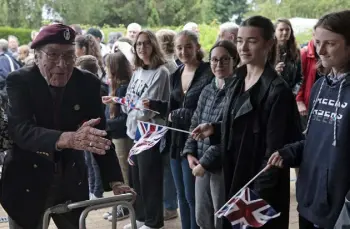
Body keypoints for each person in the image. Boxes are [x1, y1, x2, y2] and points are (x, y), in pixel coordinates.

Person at [0, 24, 134, 229]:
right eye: (53, 55)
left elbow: (99, 135)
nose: (62, 64)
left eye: (69, 55)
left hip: (70, 180)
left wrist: (115, 180)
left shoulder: (87, 83)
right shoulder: (20, 81)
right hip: (26, 180)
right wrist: (68, 138)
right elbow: (21, 131)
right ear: (37, 56)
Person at [191, 16, 302, 229]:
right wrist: (214, 129)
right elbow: (244, 126)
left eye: (252, 41)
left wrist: (254, 198)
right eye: (240, 40)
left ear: (269, 44)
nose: (243, 47)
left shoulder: (277, 91)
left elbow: (274, 153)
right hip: (233, 175)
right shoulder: (237, 79)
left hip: (258, 186)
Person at [268, 10, 350, 229]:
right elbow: (315, 140)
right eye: (317, 42)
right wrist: (291, 152)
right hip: (310, 200)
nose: (321, 51)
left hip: (341, 209)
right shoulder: (320, 86)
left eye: (330, 44)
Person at [183, 40, 239, 229]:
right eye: (214, 60)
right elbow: (195, 122)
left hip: (221, 164)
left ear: (235, 61)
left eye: (224, 59)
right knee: (202, 216)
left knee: (220, 216)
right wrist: (190, 152)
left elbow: (231, 133)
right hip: (200, 162)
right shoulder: (207, 89)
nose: (218, 64)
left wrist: (206, 163)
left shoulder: (238, 91)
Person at [121, 30, 170, 229]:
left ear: (154, 46)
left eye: (146, 43)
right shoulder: (138, 71)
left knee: (149, 180)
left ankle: (153, 221)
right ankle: (140, 217)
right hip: (134, 132)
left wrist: (134, 106)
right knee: (137, 180)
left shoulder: (161, 72)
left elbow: (145, 110)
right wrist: (132, 105)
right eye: (138, 44)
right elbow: (128, 103)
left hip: (149, 133)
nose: (141, 47)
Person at [169, 30, 213, 229]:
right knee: (181, 196)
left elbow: (206, 109)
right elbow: (170, 107)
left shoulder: (208, 71)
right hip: (175, 140)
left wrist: (178, 114)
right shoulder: (175, 74)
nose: (183, 51)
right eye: (179, 47)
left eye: (188, 46)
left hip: (198, 140)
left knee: (192, 197)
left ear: (197, 46)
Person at [102, 52, 133, 222]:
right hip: (116, 136)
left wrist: (105, 125)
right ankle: (121, 205)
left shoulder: (124, 88)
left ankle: (125, 207)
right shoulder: (114, 86)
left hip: (122, 138)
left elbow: (124, 118)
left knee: (124, 175)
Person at [75, 55, 104, 200]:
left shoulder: (97, 87)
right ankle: (92, 188)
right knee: (89, 162)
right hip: (83, 128)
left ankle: (97, 191)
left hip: (95, 130)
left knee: (95, 162)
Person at [273, 19, 302, 95]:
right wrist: (274, 72)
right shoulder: (268, 51)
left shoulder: (296, 51)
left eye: (287, 29)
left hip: (289, 96)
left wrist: (293, 93)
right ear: (275, 31)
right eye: (281, 30)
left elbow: (300, 77)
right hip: (271, 95)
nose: (285, 32)